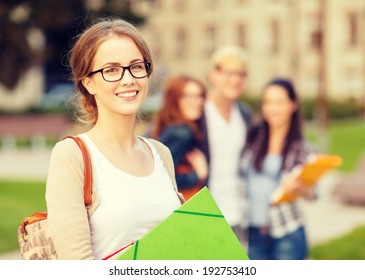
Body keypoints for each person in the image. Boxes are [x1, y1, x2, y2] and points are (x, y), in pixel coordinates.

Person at [45, 18, 182, 260]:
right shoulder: (72, 155)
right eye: (111, 70)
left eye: (136, 66)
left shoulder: (161, 153)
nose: (128, 79)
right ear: (88, 82)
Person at [240, 78, 317, 260]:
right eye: (268, 102)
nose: (272, 108)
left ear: (293, 104)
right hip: (253, 233)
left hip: (287, 233)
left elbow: (314, 194)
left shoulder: (303, 148)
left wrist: (301, 189)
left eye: (279, 102)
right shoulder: (253, 137)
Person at [199, 45, 252, 245]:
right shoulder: (199, 111)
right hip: (206, 214)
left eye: (241, 74)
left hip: (237, 213)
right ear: (214, 74)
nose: (236, 80)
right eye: (230, 73)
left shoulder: (244, 114)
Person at [150, 75, 208, 200]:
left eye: (200, 96)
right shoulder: (182, 133)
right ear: (174, 99)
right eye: (187, 96)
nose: (197, 102)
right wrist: (198, 175)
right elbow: (162, 177)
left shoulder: (165, 128)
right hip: (181, 206)